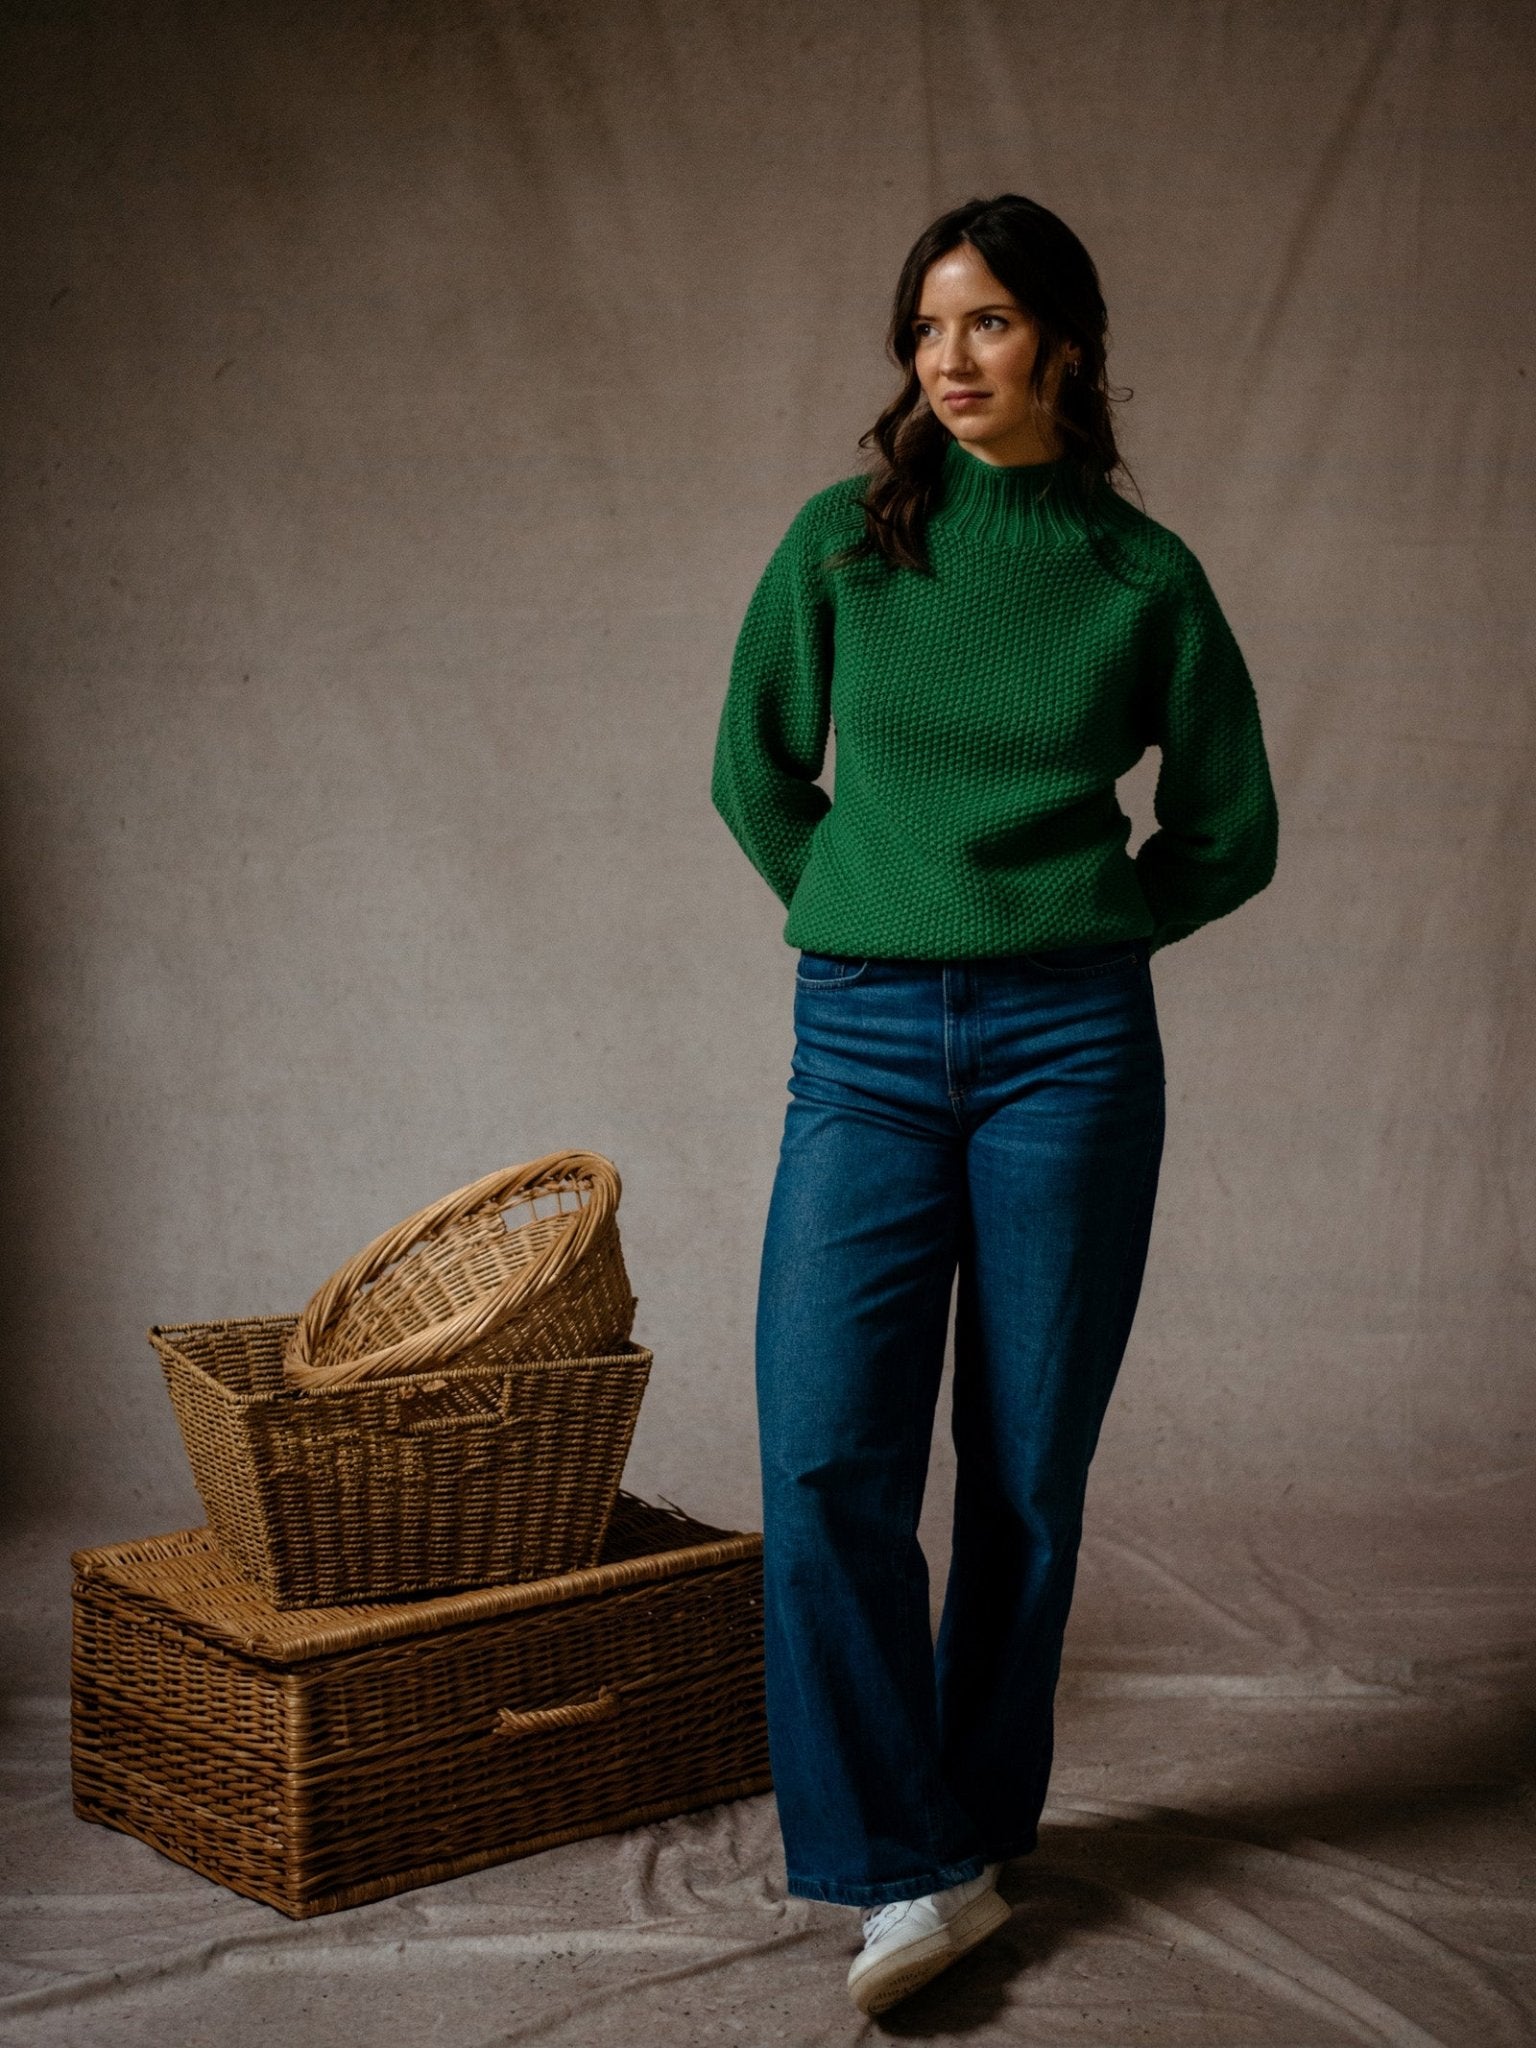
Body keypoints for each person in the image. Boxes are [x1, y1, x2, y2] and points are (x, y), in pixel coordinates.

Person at [710, 192, 1278, 2017]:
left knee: (1025, 1473)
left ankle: (971, 1829)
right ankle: (906, 1864)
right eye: (928, 330)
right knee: (822, 1457)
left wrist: (1081, 927)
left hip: (1069, 1051)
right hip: (863, 1042)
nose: (948, 363)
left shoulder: (1141, 578)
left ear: (1068, 347)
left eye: (989, 326)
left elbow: (1228, 828)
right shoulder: (841, 547)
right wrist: (861, 905)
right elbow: (753, 773)